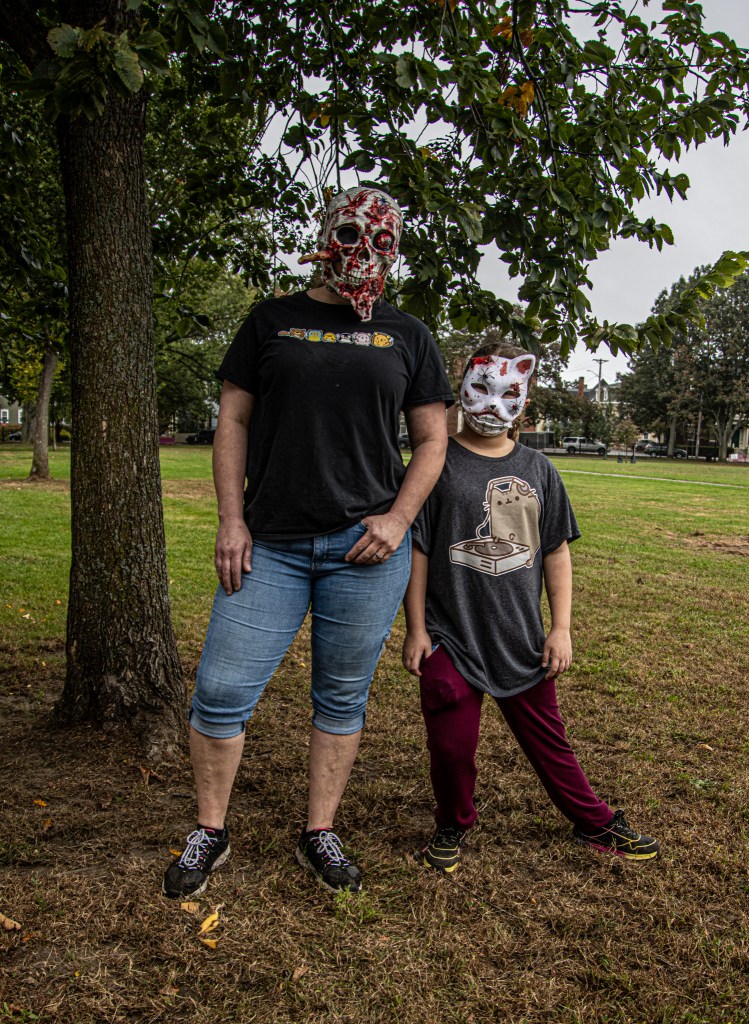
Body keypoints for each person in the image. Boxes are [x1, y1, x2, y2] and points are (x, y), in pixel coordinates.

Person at [162, 186, 453, 898]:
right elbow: (232, 422)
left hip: (366, 551)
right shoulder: (271, 319)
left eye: (381, 241)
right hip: (271, 544)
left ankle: (319, 830)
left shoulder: (408, 335)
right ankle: (210, 830)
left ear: (395, 251)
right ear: (326, 236)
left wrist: (397, 520)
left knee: (341, 697)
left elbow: (432, 440)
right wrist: (232, 520)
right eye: (350, 233)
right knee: (221, 691)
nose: (364, 251)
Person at [402, 340, 659, 872]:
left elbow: (556, 552)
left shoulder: (539, 469)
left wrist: (561, 628)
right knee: (450, 745)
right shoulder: (435, 462)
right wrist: (416, 629)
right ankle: (452, 824)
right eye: (481, 388)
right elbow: (419, 549)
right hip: (450, 635)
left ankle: (594, 821)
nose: (492, 404)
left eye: (509, 393)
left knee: (550, 742)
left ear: (526, 399)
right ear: (461, 385)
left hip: (520, 637)